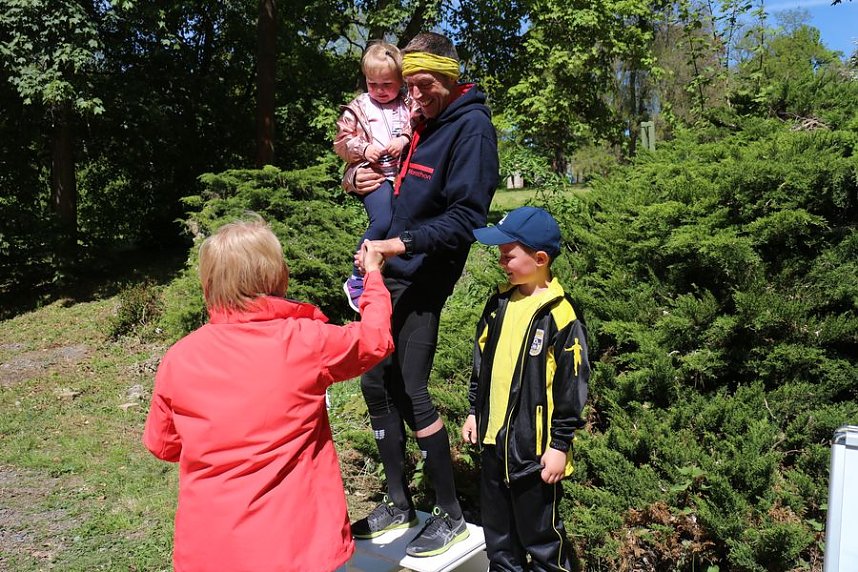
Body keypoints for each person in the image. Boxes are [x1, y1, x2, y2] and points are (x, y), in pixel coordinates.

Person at [142, 216, 394, 572]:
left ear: (208, 283)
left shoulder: (178, 358)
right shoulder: (305, 341)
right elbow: (375, 339)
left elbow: (163, 445)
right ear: (277, 275)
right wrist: (372, 275)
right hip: (299, 549)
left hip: (209, 551)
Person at [346, 32, 499, 558]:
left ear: (451, 77)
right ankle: (399, 502)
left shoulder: (472, 130)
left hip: (424, 276)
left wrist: (397, 242)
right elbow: (393, 183)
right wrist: (359, 177)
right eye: (410, 86)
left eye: (425, 84)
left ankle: (452, 515)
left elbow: (465, 220)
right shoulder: (422, 121)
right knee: (375, 381)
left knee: (411, 386)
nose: (416, 95)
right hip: (391, 271)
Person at [461, 206, 590, 571]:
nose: (501, 261)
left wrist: (560, 446)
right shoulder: (499, 302)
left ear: (539, 258)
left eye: (508, 254)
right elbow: (480, 363)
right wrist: (474, 411)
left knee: (543, 541)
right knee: (499, 541)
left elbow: (572, 388)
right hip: (492, 445)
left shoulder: (560, 315)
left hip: (533, 455)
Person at [334, 41, 413, 313]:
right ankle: (357, 276)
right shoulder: (358, 107)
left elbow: (417, 126)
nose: (379, 91)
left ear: (400, 81)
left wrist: (403, 139)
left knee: (398, 227)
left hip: (402, 177)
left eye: (387, 84)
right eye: (372, 84)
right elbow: (342, 142)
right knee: (383, 221)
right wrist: (364, 148)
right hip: (376, 177)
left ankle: (383, 277)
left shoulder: (408, 104)